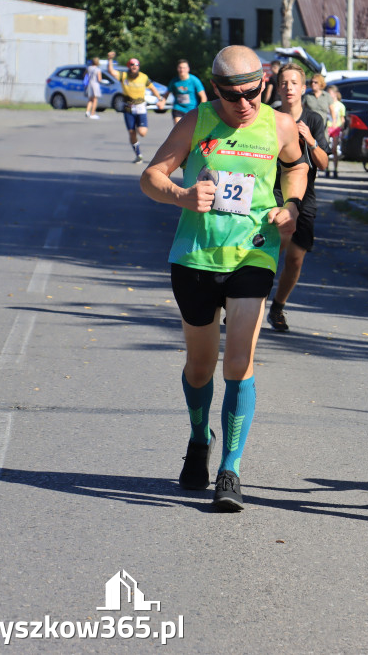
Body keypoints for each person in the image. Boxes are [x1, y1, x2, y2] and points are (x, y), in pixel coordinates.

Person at [139, 45, 307, 511]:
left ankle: (230, 470)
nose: (245, 104)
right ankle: (199, 437)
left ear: (263, 85)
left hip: (253, 254)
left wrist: (289, 206)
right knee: (200, 366)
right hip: (195, 257)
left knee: (238, 361)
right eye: (233, 96)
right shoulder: (196, 122)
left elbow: (297, 166)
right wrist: (181, 195)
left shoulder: (278, 125)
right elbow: (150, 177)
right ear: (216, 90)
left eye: (253, 93)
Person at [267, 63, 329, 332]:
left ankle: (277, 306)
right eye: (284, 82)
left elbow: (324, 163)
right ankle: (247, 298)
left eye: (294, 83)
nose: (289, 87)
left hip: (305, 196)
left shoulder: (314, 119)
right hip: (272, 194)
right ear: (278, 87)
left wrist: (310, 139)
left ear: (303, 88)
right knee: (270, 249)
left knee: (294, 259)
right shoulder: (266, 117)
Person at [106, 51, 166, 162]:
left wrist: (160, 98)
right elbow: (111, 71)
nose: (134, 66)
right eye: (132, 64)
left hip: (141, 108)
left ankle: (139, 126)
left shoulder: (143, 77)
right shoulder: (123, 76)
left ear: (139, 67)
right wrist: (110, 59)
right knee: (131, 132)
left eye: (136, 64)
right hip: (128, 108)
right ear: (129, 67)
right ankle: (138, 154)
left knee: (142, 133)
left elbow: (152, 88)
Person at [167, 59, 207, 125]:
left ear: (188, 69)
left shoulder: (194, 80)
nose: (182, 70)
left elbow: (203, 97)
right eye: (180, 68)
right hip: (178, 108)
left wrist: (201, 109)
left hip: (192, 109)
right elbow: (167, 92)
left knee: (190, 129)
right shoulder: (174, 81)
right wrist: (162, 101)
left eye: (184, 68)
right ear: (177, 69)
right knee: (179, 126)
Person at [325, 84, 345, 179]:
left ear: (335, 94)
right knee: (326, 149)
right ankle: (326, 168)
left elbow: (342, 119)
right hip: (327, 127)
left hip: (336, 128)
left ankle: (335, 169)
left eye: (330, 93)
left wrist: (342, 129)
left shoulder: (340, 105)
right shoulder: (327, 104)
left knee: (334, 149)